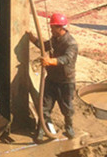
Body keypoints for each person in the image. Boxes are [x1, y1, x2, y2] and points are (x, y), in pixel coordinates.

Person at [27, 12, 78, 141]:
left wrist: (50, 61)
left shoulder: (71, 43)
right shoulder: (54, 39)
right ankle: (41, 129)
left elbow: (67, 59)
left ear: (60, 27)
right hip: (52, 79)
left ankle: (69, 127)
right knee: (44, 107)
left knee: (67, 108)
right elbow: (44, 46)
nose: (51, 30)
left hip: (66, 81)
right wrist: (32, 38)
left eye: (53, 27)